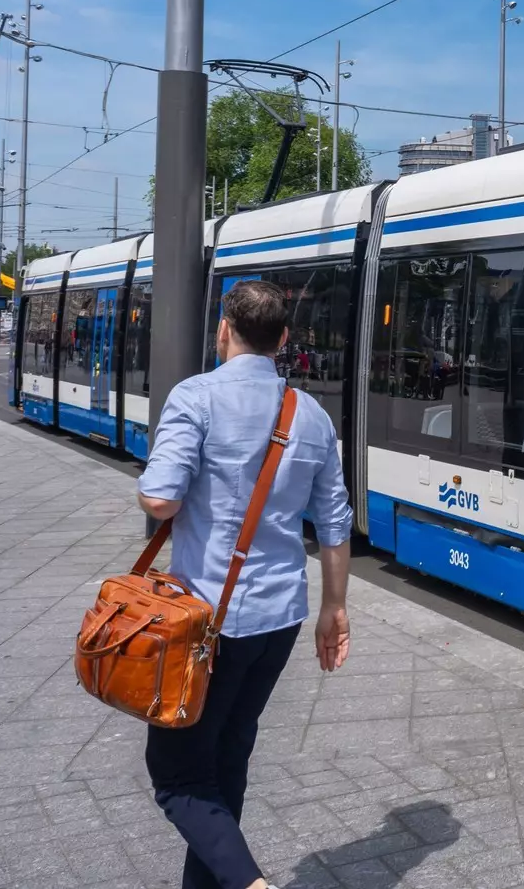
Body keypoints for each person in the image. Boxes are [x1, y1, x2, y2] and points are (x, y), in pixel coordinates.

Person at [136, 280, 354, 889]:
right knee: (227, 760)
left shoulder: (195, 397)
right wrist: (334, 609)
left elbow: (159, 498)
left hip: (208, 624)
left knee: (177, 775)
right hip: (281, 619)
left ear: (223, 331)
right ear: (283, 340)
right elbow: (335, 524)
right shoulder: (309, 414)